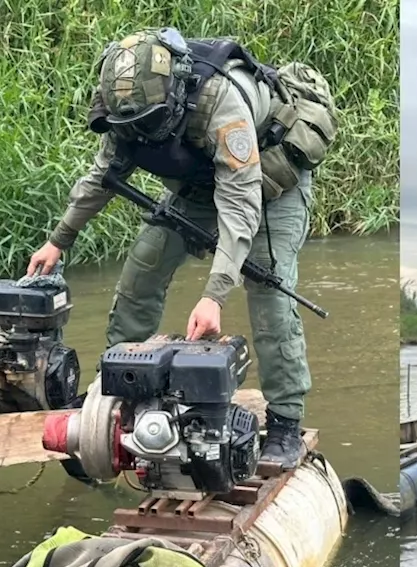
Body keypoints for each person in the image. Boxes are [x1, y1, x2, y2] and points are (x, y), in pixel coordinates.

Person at [24, 27, 337, 469]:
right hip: (198, 184)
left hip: (267, 186)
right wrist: (58, 240)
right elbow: (100, 178)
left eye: (150, 124)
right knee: (140, 274)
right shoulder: (126, 107)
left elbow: (240, 204)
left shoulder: (220, 103)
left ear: (172, 99)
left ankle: (285, 419)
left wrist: (213, 296)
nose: (141, 134)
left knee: (270, 294)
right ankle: (117, 386)